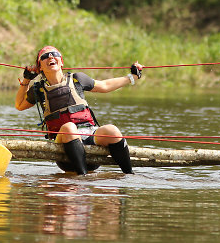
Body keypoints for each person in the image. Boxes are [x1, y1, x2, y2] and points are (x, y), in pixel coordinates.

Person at [15, 46, 143, 175]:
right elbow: (19, 105)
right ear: (40, 67)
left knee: (112, 130)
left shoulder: (77, 79)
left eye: (54, 54)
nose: (50, 57)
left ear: (61, 62)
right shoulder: (39, 89)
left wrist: (132, 77)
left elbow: (105, 86)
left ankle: (129, 175)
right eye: (44, 56)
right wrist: (26, 80)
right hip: (65, 149)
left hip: (90, 139)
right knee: (69, 127)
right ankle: (83, 178)